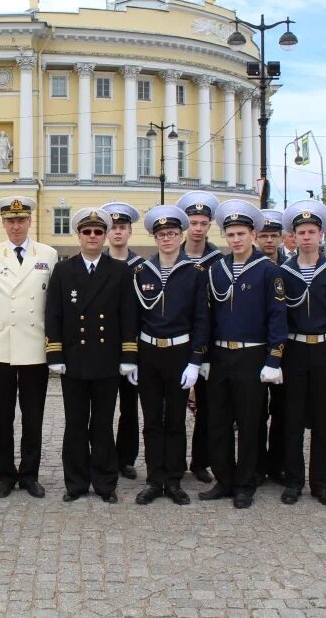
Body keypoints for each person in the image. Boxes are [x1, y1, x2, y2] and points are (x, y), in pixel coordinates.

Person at [200, 200, 287, 510]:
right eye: (230, 234)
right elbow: (207, 316)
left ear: (253, 234)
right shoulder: (216, 270)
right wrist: (205, 356)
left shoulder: (268, 271)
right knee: (218, 421)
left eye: (241, 233)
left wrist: (273, 360)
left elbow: (278, 318)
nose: (235, 239)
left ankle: (245, 482)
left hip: (252, 357)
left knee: (251, 423)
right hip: (222, 356)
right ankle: (223, 478)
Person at [46, 208, 138, 503]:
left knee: (102, 425)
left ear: (106, 235)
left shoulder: (120, 271)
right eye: (87, 232)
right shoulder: (64, 270)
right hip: (73, 360)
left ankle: (105, 483)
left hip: (106, 361)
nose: (93, 237)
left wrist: (128, 355)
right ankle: (75, 483)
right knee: (74, 425)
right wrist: (55, 353)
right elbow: (54, 314)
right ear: (79, 235)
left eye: (99, 232)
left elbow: (128, 316)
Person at [0, 197, 58, 498]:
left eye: (21, 220)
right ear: (4, 224)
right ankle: (6, 475)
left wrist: (55, 349)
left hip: (34, 348)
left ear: (30, 222)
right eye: (10, 221)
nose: (16, 226)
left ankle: (30, 475)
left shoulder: (48, 253)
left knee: (33, 417)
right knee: (1, 417)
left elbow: (52, 308)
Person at [131, 206, 209, 506]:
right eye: (162, 235)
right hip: (149, 352)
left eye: (173, 234)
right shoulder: (142, 272)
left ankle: (174, 480)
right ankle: (154, 479)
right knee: (151, 420)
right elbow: (134, 319)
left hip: (180, 352)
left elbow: (202, 319)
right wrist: (133, 357)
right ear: (155, 238)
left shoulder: (195, 273)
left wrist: (195, 361)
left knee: (176, 420)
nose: (167, 239)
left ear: (181, 236)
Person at [278, 200, 326, 507]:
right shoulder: (283, 273)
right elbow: (277, 318)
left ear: (321, 235)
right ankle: (294, 481)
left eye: (311, 231)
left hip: (325, 349)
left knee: (322, 422)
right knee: (292, 420)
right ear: (293, 237)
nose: (306, 237)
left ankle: (320, 483)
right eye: (301, 232)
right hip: (294, 350)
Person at [175, 191, 222, 486]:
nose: (198, 228)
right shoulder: (172, 256)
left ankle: (201, 461)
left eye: (203, 222)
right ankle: (175, 461)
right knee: (174, 406)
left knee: (207, 405)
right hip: (178, 341)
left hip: (210, 342)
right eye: (193, 222)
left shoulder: (219, 259)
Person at [101, 201, 145, 481]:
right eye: (113, 227)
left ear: (130, 232)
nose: (118, 232)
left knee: (129, 408)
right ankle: (105, 456)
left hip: (133, 348)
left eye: (122, 227)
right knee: (104, 407)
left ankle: (126, 458)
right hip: (104, 348)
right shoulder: (98, 264)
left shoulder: (143, 267)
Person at [255, 208, 288, 485]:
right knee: (255, 412)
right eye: (264, 235)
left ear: (281, 238)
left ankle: (277, 463)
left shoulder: (288, 269)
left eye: (273, 235)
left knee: (282, 411)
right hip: (254, 351)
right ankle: (256, 464)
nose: (268, 241)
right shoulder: (253, 268)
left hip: (285, 351)